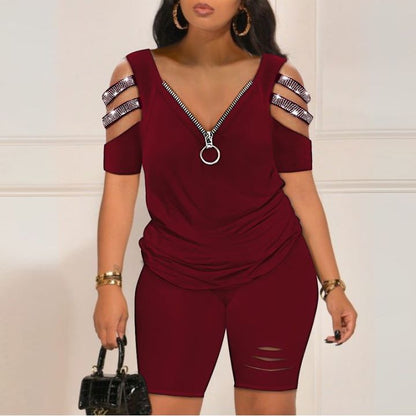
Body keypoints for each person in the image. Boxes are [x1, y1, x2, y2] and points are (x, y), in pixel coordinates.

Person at [93, 0, 358, 414]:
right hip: (172, 276)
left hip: (273, 275)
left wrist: (334, 288)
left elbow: (301, 190)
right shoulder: (134, 77)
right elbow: (120, 188)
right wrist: (109, 285)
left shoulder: (279, 80)